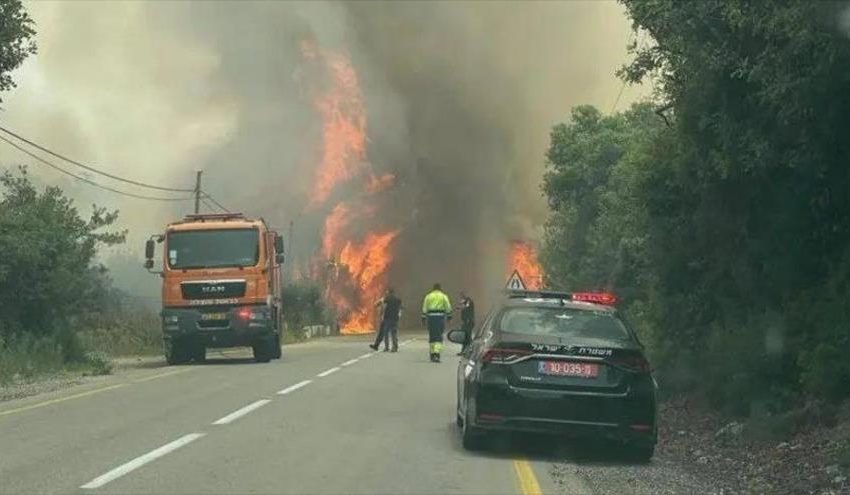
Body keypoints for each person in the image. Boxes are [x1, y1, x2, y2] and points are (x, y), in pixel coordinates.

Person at [421, 283, 452, 363]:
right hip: (440, 318)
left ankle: (432, 354)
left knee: (432, 335)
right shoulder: (443, 296)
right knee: (438, 336)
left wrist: (423, 317)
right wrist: (449, 316)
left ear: (433, 288)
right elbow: (448, 306)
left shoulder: (428, 296)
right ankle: (437, 354)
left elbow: (425, 307)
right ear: (440, 288)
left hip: (431, 318)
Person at [370, 288, 402, 352]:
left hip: (387, 318)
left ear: (389, 292)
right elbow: (400, 309)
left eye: (387, 292)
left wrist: (375, 305)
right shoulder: (398, 299)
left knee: (385, 333)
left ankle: (386, 347)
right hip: (395, 318)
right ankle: (394, 347)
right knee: (394, 333)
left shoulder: (387, 298)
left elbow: (379, 302)